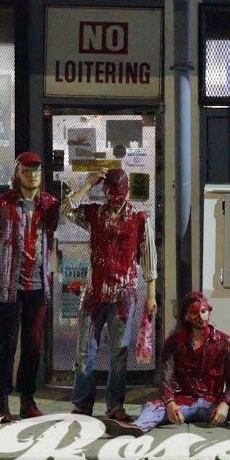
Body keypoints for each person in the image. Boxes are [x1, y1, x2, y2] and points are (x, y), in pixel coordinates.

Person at [106, 291, 230, 438]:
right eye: (195, 313)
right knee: (151, 406)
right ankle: (136, 428)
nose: (200, 317)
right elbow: (165, 379)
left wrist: (225, 404)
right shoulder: (174, 343)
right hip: (183, 403)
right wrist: (170, 403)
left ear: (209, 312)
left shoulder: (225, 342)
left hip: (214, 404)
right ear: (186, 316)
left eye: (204, 311)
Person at [61, 168, 157, 423]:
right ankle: (81, 405)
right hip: (93, 294)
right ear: (104, 191)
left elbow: (149, 257)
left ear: (128, 192)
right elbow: (66, 209)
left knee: (119, 355)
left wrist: (151, 294)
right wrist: (87, 183)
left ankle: (115, 406)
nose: (116, 198)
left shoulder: (139, 219)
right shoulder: (94, 214)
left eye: (121, 193)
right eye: (111, 193)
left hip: (123, 296)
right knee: (84, 353)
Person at [0, 152, 60, 422]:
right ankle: (1, 402)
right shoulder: (4, 204)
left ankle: (27, 401)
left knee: (33, 346)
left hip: (38, 285)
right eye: (26, 171)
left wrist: (87, 185)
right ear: (18, 174)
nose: (32, 176)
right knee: (7, 344)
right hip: (9, 286)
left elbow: (66, 217)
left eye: (36, 171)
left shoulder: (49, 204)